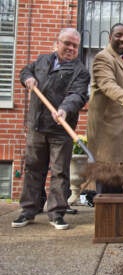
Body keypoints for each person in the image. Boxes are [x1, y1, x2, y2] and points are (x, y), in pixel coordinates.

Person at [12, 28, 90, 230]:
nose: (71, 48)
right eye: (67, 43)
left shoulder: (80, 71)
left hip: (60, 130)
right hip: (37, 126)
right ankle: (28, 211)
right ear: (58, 43)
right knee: (33, 169)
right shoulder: (42, 60)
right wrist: (27, 79)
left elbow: (78, 95)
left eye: (75, 45)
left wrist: (64, 109)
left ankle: (56, 213)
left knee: (59, 172)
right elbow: (25, 71)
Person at [87, 23, 123, 194]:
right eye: (118, 35)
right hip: (106, 130)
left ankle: (116, 218)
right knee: (106, 180)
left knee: (119, 181)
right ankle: (105, 219)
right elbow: (108, 84)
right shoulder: (103, 58)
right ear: (109, 37)